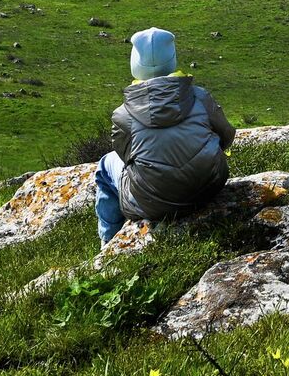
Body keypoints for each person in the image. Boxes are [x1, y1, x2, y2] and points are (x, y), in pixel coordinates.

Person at [94, 26, 237, 245]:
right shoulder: (200, 96)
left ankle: (109, 243)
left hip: (154, 205)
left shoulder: (123, 115)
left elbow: (126, 157)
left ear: (135, 65)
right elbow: (226, 136)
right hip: (210, 186)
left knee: (105, 166)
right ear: (172, 59)